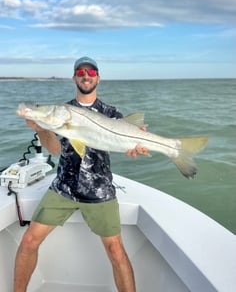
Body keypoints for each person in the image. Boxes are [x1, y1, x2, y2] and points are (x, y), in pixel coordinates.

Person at [14, 56, 148, 292]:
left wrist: (137, 142)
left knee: (116, 249)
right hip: (63, 188)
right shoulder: (61, 112)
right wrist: (41, 128)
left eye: (92, 72)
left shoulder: (111, 112)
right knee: (28, 241)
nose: (86, 75)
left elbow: (127, 139)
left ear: (98, 78)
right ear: (74, 77)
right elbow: (55, 149)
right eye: (81, 71)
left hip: (100, 190)